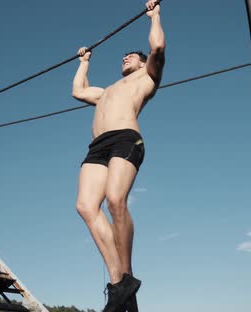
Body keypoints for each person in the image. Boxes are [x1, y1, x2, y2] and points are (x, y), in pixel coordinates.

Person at [72, 1, 165, 311]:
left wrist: (154, 17)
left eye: (133, 56)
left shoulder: (147, 77)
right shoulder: (108, 89)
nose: (127, 57)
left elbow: (159, 47)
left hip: (126, 139)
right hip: (97, 146)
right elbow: (78, 91)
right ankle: (119, 283)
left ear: (142, 63)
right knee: (85, 206)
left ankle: (125, 273)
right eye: (125, 55)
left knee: (115, 200)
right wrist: (85, 61)